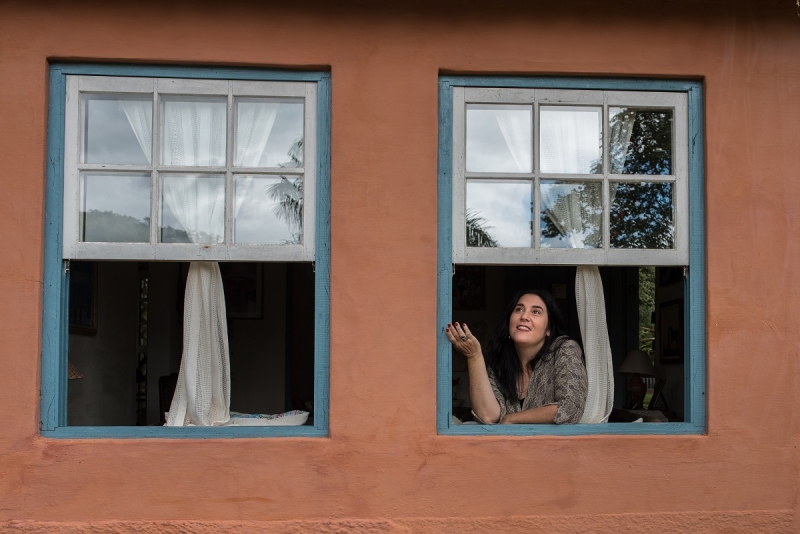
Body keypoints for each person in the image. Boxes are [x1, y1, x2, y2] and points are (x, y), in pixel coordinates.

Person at [446, 289, 587, 424]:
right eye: (519, 309)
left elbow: (570, 408)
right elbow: (488, 416)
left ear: (549, 329)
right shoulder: (499, 363)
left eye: (536, 312)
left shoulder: (564, 349)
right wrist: (474, 356)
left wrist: (512, 419)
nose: (524, 316)